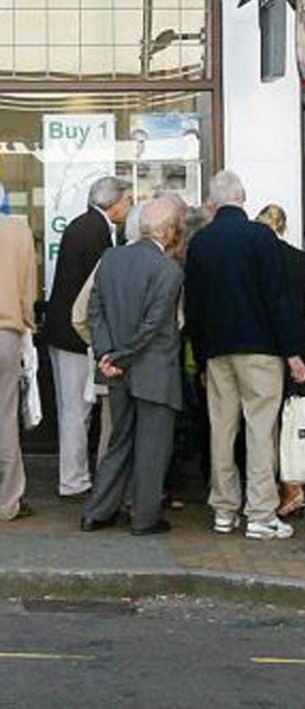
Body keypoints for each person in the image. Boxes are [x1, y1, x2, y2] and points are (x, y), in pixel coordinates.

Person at [184, 171, 305, 540]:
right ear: (243, 196)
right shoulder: (260, 237)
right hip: (261, 350)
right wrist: (292, 352)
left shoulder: (201, 243)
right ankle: (260, 513)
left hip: (217, 352)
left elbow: (194, 307)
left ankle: (223, 509)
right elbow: (277, 299)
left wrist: (201, 357)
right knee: (260, 430)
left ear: (212, 202)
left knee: (222, 430)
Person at [82, 198, 185, 536]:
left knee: (119, 442)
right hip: (154, 371)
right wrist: (119, 357)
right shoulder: (169, 270)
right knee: (153, 449)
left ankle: (97, 512)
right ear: (168, 232)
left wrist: (107, 355)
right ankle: (144, 517)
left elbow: (95, 311)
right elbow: (153, 325)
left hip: (117, 371)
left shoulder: (111, 258)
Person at [44, 175, 132, 499]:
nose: (130, 206)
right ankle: (74, 480)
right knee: (76, 409)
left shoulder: (83, 225)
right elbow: (96, 290)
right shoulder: (96, 232)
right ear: (114, 202)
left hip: (61, 331)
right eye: (127, 200)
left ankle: (74, 476)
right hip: (74, 336)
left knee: (71, 407)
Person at [257, 204, 305, 519]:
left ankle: (281, 489)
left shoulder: (257, 260)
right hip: (295, 348)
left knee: (267, 424)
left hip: (264, 349)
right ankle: (294, 483)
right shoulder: (300, 260)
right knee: (292, 422)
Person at [0, 211, 36, 523]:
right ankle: (8, 500)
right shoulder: (19, 232)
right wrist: (27, 323)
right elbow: (28, 290)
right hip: (6, 333)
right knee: (6, 415)